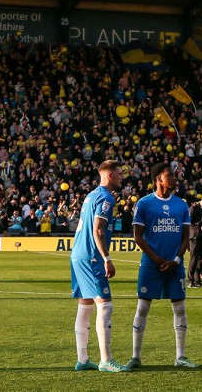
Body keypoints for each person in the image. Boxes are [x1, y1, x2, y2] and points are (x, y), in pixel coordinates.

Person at [126, 162, 198, 369]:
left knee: (180, 308)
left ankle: (181, 357)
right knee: (143, 307)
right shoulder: (144, 203)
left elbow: (187, 236)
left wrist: (176, 259)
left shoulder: (181, 205)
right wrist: (157, 259)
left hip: (175, 264)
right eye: (170, 175)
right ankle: (135, 357)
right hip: (151, 265)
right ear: (158, 179)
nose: (175, 178)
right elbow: (138, 237)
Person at [70, 160, 126, 373]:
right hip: (92, 257)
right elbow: (98, 230)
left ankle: (82, 360)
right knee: (105, 305)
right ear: (110, 176)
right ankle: (106, 359)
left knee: (85, 305)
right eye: (119, 174)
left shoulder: (91, 195)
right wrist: (106, 258)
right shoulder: (105, 197)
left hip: (77, 255)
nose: (122, 178)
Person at [187, 195, 202, 288]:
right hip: (195, 236)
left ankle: (197, 280)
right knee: (194, 258)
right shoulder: (193, 208)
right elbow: (189, 222)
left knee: (201, 259)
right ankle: (190, 280)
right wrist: (199, 227)